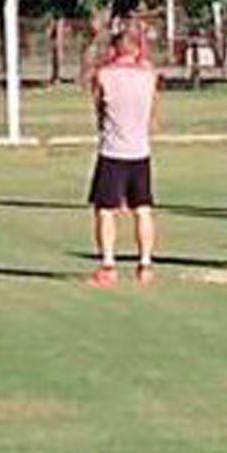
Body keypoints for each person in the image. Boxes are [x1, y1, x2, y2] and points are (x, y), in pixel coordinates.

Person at [87, 31, 161, 288]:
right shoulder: (149, 76)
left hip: (113, 151)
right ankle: (146, 264)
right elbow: (154, 110)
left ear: (114, 50)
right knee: (142, 208)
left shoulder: (104, 75)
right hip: (140, 150)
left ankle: (108, 265)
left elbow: (98, 108)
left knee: (106, 210)